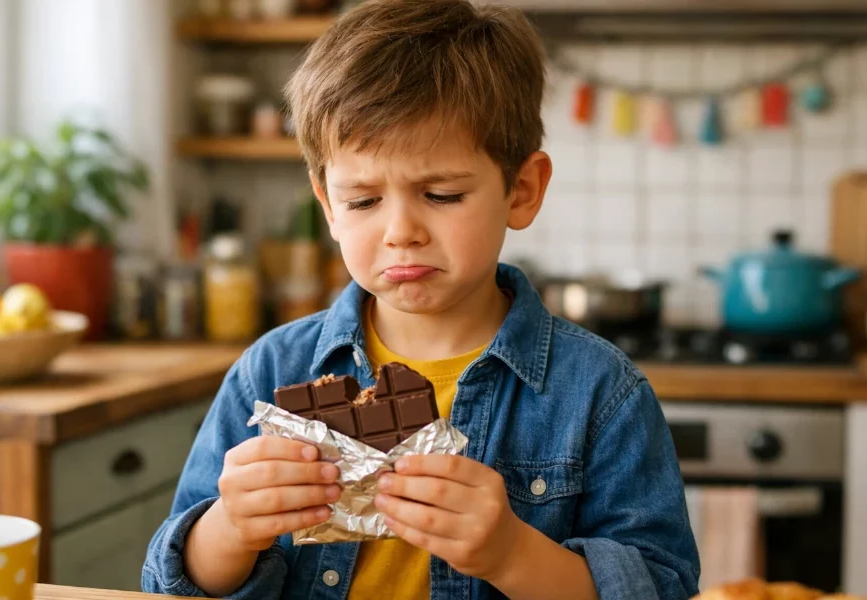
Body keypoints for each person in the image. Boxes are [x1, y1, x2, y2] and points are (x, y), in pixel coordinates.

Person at [142, 0, 700, 598]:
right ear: (328, 205)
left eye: (440, 193)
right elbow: (170, 583)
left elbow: (660, 587)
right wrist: (229, 529)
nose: (399, 230)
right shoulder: (270, 370)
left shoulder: (600, 394)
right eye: (361, 201)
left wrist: (513, 554)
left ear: (523, 189)